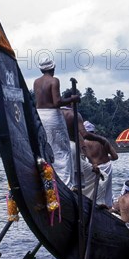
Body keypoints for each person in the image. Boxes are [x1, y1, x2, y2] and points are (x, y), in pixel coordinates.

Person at [33, 55, 79, 188]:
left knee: (48, 146)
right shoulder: (54, 81)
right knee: (62, 150)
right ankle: (66, 185)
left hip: (40, 115)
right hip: (52, 115)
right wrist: (73, 99)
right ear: (53, 67)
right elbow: (57, 102)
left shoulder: (36, 82)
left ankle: (50, 180)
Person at [82, 121, 118, 207]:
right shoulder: (103, 140)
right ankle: (108, 205)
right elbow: (115, 156)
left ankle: (95, 205)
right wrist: (105, 157)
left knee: (95, 190)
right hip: (107, 166)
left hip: (96, 168)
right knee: (107, 190)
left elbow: (82, 158)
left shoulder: (84, 143)